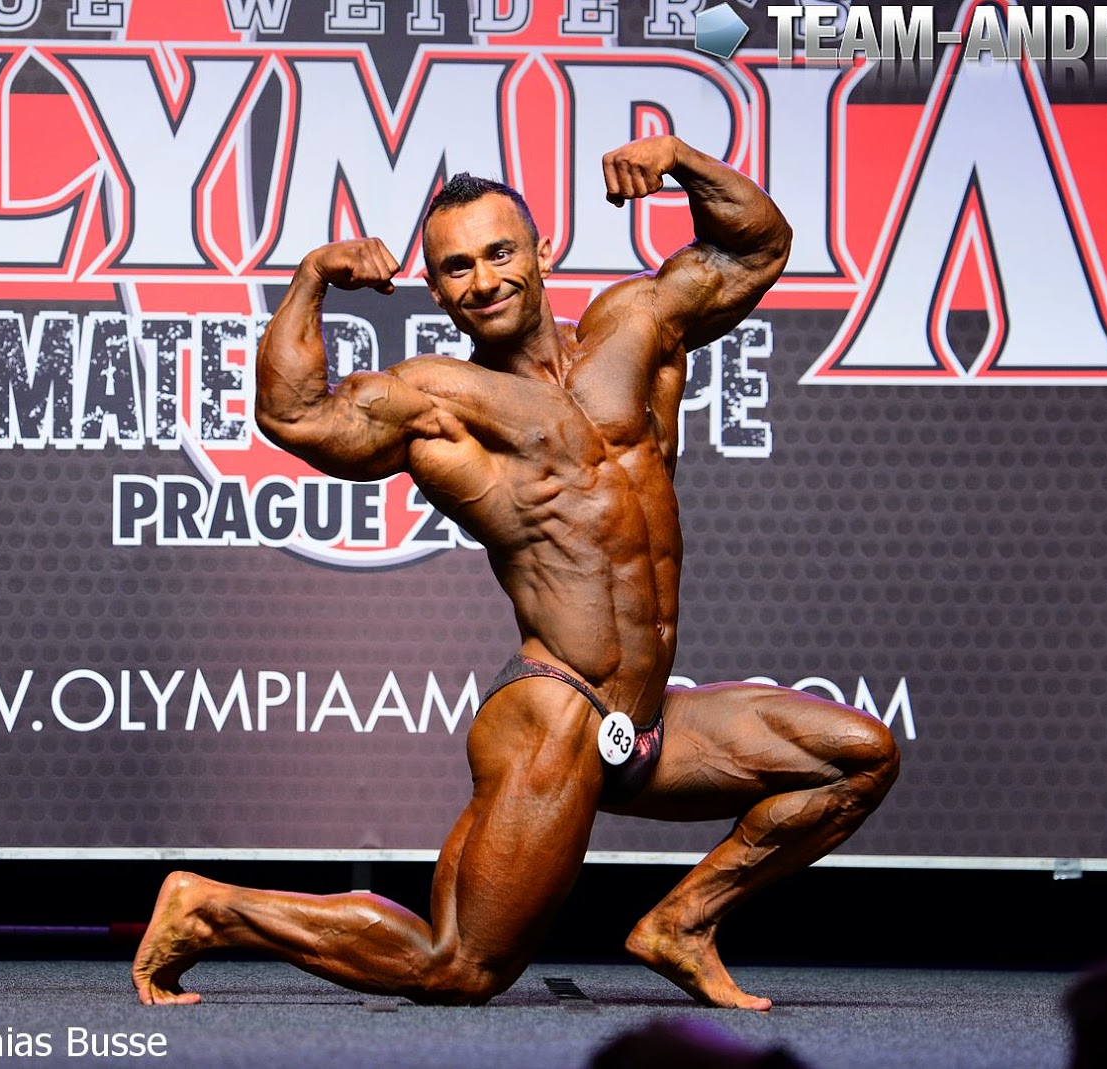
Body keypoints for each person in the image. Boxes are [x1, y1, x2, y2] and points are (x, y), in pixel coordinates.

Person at [132, 135, 899, 1012]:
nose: (483, 279)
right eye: (456, 267)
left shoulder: (640, 325)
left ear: (543, 252)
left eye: (500, 252)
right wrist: (311, 277)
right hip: (558, 709)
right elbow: (295, 413)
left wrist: (682, 160)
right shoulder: (440, 401)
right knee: (460, 965)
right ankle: (210, 910)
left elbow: (756, 247)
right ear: (435, 290)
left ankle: (682, 924)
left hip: (646, 718)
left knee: (856, 760)